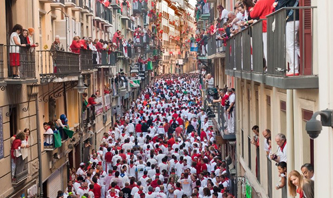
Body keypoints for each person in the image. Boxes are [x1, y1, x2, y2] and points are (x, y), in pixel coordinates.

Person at [273, 0, 300, 76]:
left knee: (290, 45)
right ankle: (299, 65)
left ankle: (294, 68)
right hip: (296, 17)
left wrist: (276, 4)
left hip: (292, 19)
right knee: (295, 44)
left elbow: (279, 5)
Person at [249, 0, 275, 70]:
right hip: (275, 24)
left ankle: (270, 67)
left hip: (265, 26)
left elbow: (253, 14)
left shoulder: (261, 1)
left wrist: (251, 10)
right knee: (275, 47)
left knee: (267, 48)